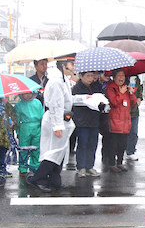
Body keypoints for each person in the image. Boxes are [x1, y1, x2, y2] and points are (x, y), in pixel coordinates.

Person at [27, 59, 76, 192]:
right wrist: (57, 126)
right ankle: (37, 179)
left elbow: (66, 101)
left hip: (61, 119)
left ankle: (55, 181)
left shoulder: (63, 79)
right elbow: (55, 105)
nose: (73, 66)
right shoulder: (56, 81)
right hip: (56, 119)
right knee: (52, 154)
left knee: (59, 153)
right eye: (71, 64)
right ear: (63, 65)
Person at [71, 72, 104, 177]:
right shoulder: (77, 88)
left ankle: (90, 166)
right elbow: (75, 103)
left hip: (94, 120)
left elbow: (100, 100)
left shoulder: (95, 86)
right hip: (82, 121)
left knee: (93, 144)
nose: (90, 79)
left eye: (92, 76)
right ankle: (81, 167)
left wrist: (101, 102)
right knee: (83, 144)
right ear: (81, 76)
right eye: (87, 76)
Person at [106, 68, 137, 173]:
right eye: (118, 76)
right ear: (114, 77)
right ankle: (111, 163)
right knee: (113, 144)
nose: (121, 78)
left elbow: (133, 104)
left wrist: (131, 93)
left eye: (123, 76)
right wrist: (120, 93)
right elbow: (114, 102)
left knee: (122, 145)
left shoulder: (125, 88)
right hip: (115, 121)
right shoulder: (111, 88)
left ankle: (119, 162)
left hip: (125, 122)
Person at [14, 91, 44, 176]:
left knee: (36, 148)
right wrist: (17, 131)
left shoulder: (37, 103)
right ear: (21, 94)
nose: (28, 95)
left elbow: (42, 116)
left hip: (37, 127)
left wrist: (43, 128)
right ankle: (22, 168)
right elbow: (16, 120)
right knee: (23, 148)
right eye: (25, 93)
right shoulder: (18, 105)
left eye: (30, 93)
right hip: (24, 127)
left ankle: (35, 167)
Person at [125, 74, 143, 161]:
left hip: (134, 110)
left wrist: (139, 98)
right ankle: (121, 151)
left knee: (133, 132)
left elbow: (139, 89)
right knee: (122, 132)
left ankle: (130, 151)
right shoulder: (122, 78)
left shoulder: (137, 79)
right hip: (123, 110)